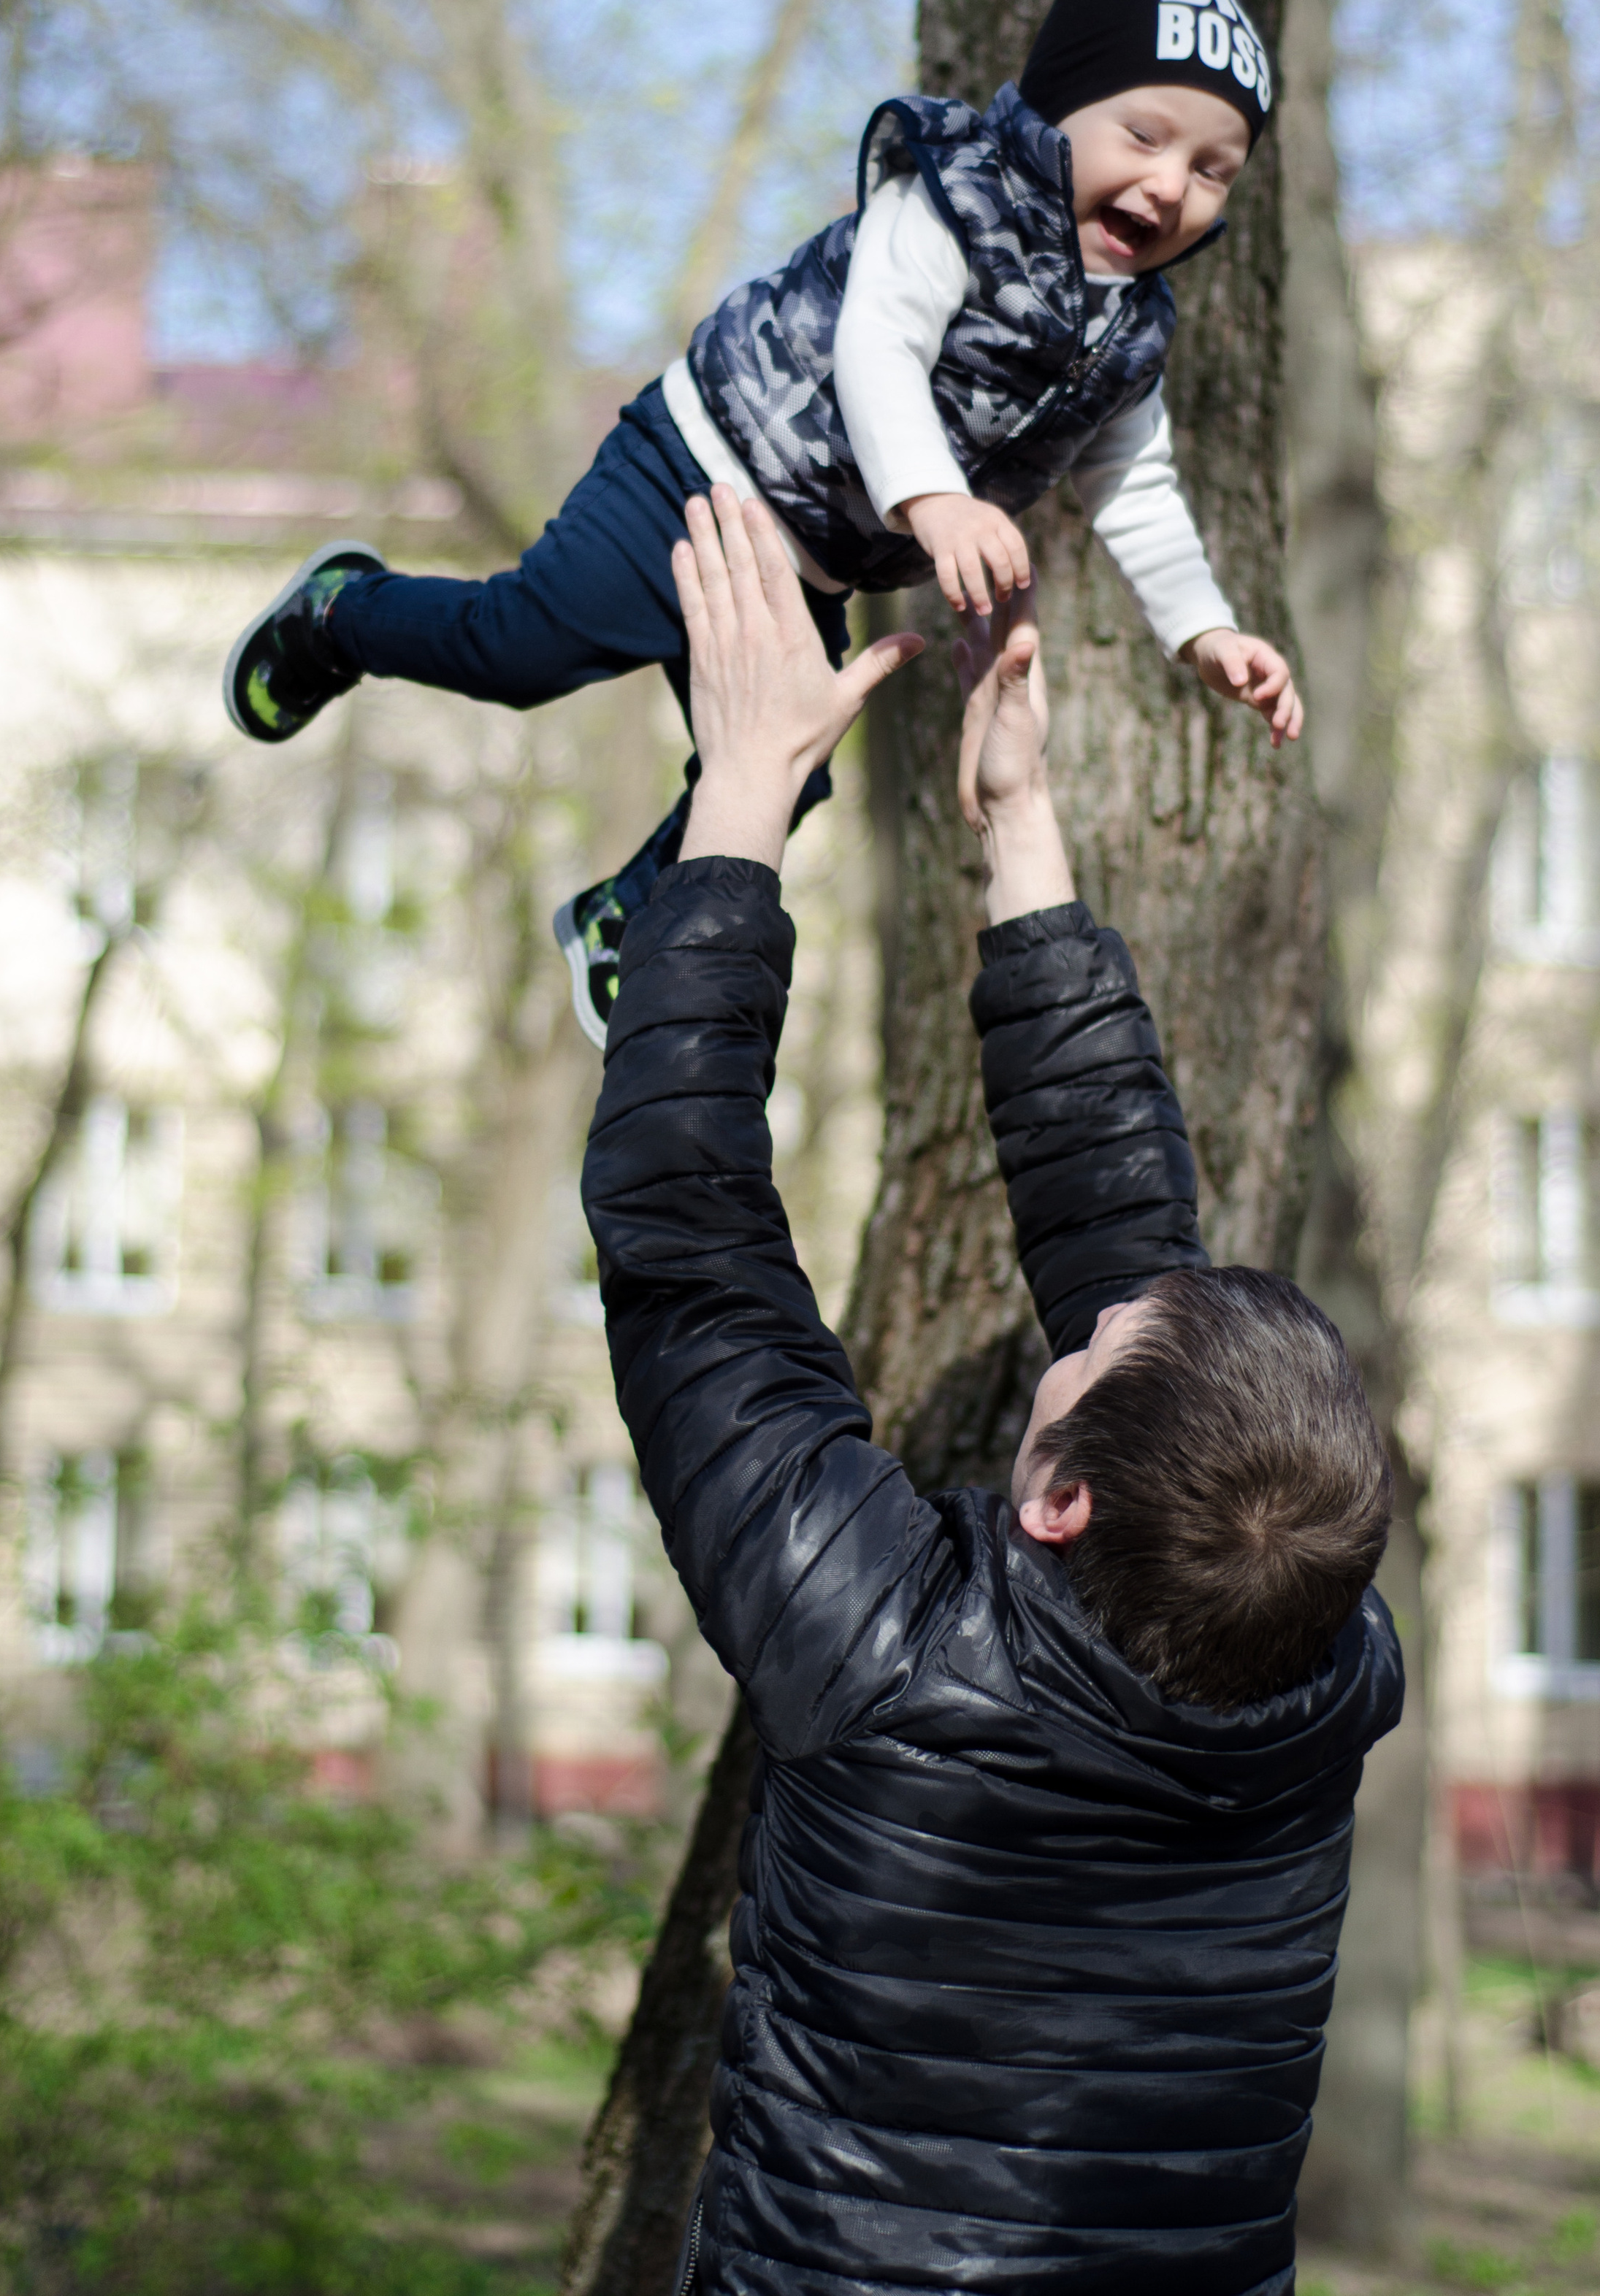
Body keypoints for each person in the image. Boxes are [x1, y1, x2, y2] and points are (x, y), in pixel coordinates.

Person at [583, 483, 1401, 2296]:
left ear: (1057, 1498)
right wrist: (1020, 839)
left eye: (1094, 1351)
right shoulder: (1317, 1675)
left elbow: (689, 1251)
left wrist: (736, 801)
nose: (1092, 1313)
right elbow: (1135, 1258)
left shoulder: (883, 1655)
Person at [221, 0, 1303, 1043]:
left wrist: (1203, 630)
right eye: (1144, 135)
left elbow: (1134, 481)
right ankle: (338, 616)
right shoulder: (953, 203)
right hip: (702, 469)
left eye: (1214, 168)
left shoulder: (1128, 331)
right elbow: (874, 348)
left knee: (788, 765)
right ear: (1059, 107)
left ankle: (623, 916)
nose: (1171, 184)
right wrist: (935, 500)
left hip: (812, 557)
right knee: (525, 647)